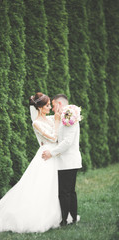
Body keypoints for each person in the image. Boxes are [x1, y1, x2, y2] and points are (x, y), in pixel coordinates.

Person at [0, 92, 74, 234]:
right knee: (42, 187)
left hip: (53, 155)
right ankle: (38, 217)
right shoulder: (36, 123)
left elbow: (60, 128)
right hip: (45, 156)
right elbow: (53, 137)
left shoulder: (49, 119)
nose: (50, 107)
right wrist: (56, 121)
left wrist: (69, 115)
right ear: (39, 108)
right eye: (47, 105)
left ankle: (59, 215)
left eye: (50, 104)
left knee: (55, 188)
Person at [42, 94, 82, 226]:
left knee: (65, 192)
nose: (53, 109)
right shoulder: (64, 115)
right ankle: (72, 218)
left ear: (59, 104)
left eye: (53, 105)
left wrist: (51, 153)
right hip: (66, 161)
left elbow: (67, 142)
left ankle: (65, 220)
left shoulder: (70, 115)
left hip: (68, 161)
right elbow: (56, 131)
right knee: (69, 191)